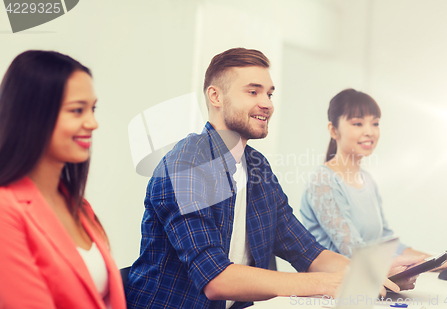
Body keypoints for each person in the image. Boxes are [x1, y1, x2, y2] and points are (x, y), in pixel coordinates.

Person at [126, 48, 420, 309]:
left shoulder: (256, 167)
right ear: (215, 96)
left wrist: (367, 276)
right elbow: (216, 279)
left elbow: (309, 252)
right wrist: (325, 284)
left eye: (269, 93)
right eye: (253, 92)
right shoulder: (188, 165)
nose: (267, 103)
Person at [0, 51, 126, 309]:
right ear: (33, 114)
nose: (92, 123)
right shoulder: (5, 212)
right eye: (77, 110)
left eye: (92, 109)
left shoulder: (78, 205)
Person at [300, 88, 447, 270]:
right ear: (333, 130)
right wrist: (426, 265)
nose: (369, 132)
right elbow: (354, 251)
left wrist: (436, 260)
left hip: (368, 282)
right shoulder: (323, 181)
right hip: (331, 290)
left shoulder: (367, 179)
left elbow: (385, 242)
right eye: (357, 124)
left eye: (375, 124)